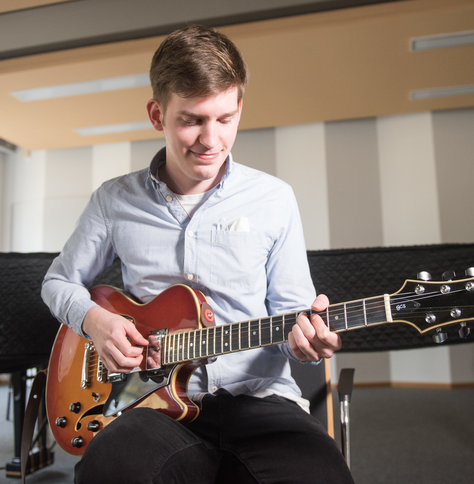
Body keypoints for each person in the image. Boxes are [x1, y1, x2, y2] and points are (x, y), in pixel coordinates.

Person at [42, 24, 354, 484]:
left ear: (239, 107)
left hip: (260, 399)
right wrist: (97, 322)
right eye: (192, 120)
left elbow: (294, 313)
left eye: (225, 119)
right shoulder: (113, 200)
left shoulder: (274, 198)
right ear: (157, 114)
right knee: (109, 471)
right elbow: (57, 282)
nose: (211, 140)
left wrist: (311, 343)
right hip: (152, 404)